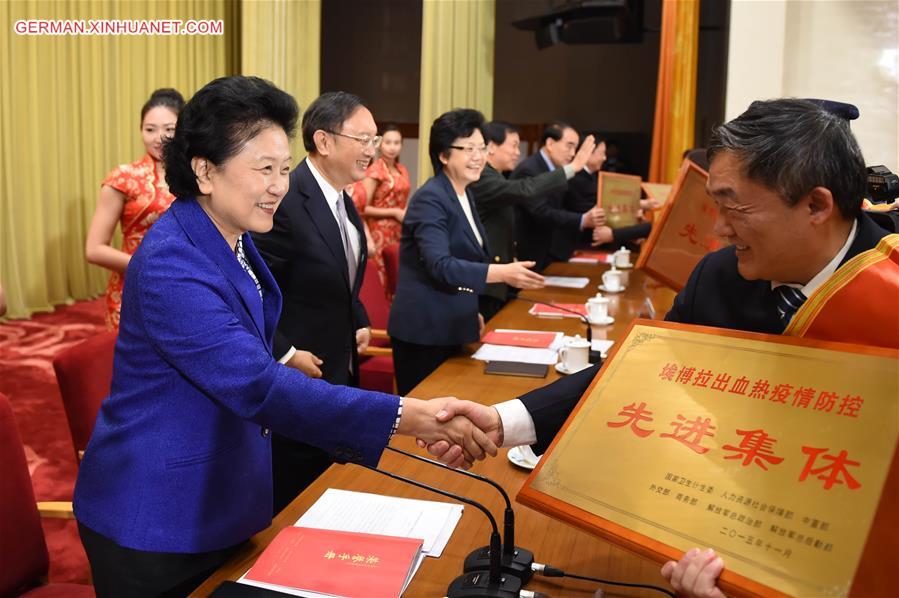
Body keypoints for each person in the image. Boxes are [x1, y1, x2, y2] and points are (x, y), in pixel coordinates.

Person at [427, 98, 899, 595]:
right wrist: (505, 421)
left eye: (734, 206)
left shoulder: (886, 294)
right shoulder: (720, 276)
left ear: (816, 206)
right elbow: (639, 372)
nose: (718, 229)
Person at [72, 76, 496, 598]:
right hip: (156, 512)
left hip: (224, 493)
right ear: (205, 170)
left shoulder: (232, 234)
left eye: (282, 168)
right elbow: (258, 385)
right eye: (264, 170)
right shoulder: (171, 264)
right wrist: (411, 416)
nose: (279, 185)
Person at [250, 91, 382, 513]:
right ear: (324, 141)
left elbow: (340, 273)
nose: (371, 151)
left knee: (332, 485)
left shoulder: (342, 196)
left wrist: (357, 316)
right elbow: (252, 283)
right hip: (298, 375)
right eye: (362, 139)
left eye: (374, 140)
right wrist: (285, 353)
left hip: (336, 365)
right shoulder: (286, 198)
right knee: (298, 495)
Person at [387, 109, 546, 396]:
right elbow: (441, 265)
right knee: (422, 428)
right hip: (424, 332)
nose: (478, 156)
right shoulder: (430, 198)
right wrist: (502, 273)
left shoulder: (464, 193)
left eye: (482, 148)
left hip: (452, 322)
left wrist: (468, 309)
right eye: (468, 148)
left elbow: (465, 260)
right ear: (444, 156)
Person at [469, 121, 597, 319]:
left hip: (500, 275)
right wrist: (573, 168)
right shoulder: (483, 177)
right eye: (513, 145)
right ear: (492, 146)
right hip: (487, 279)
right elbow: (525, 190)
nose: (517, 152)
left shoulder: (496, 176)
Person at [85, 88, 184, 330]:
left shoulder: (199, 175)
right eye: (150, 129)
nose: (159, 138)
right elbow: (94, 249)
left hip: (184, 287)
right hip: (134, 289)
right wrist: (146, 267)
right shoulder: (123, 178)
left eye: (169, 129)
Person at [512, 122, 605, 270]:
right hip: (529, 252)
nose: (573, 153)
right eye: (569, 146)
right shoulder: (529, 170)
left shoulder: (557, 169)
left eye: (575, 147)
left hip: (550, 250)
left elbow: (569, 203)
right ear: (550, 143)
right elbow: (540, 212)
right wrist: (582, 220)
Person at [352, 124, 410, 298]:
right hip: (379, 232)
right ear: (380, 144)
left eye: (397, 143)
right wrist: (393, 212)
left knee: (398, 278)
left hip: (399, 231)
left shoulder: (402, 170)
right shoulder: (375, 170)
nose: (392, 147)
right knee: (382, 278)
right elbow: (363, 206)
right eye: (388, 142)